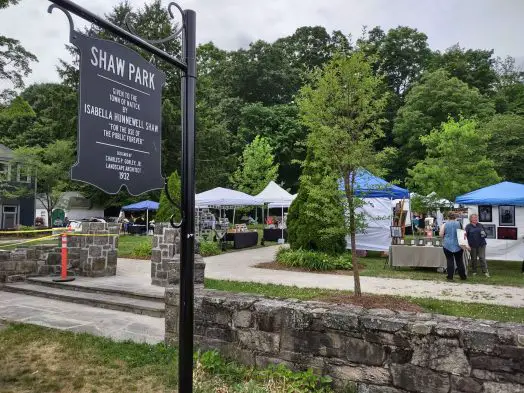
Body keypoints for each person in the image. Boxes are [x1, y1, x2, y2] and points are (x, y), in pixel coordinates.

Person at [440, 212, 467, 281]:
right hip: (458, 245)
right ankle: (463, 276)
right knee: (459, 261)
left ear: (448, 217)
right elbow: (464, 234)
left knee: (449, 261)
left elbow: (441, 234)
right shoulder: (460, 224)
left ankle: (450, 276)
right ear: (455, 217)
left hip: (447, 245)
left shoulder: (444, 224)